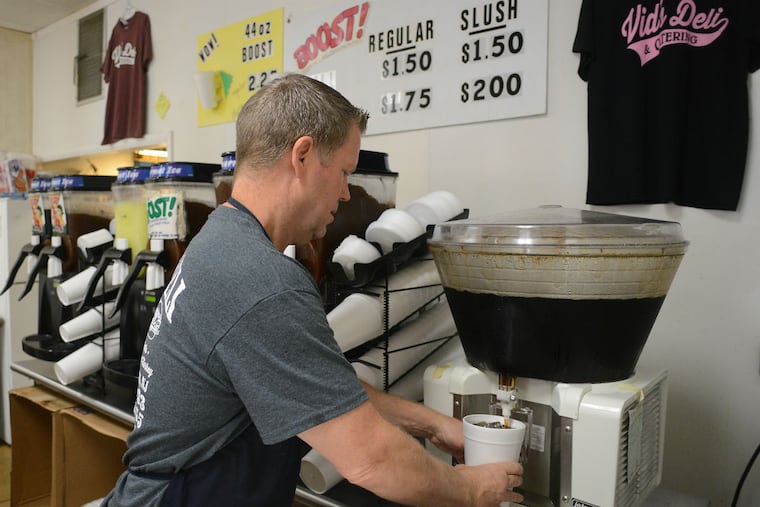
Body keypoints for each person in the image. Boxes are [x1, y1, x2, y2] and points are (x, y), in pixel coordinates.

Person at [102, 73, 523, 507]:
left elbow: (320, 387)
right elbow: (372, 459)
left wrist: (429, 423)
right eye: (343, 172)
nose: (345, 193)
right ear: (302, 156)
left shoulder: (220, 239)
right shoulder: (261, 280)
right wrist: (471, 490)